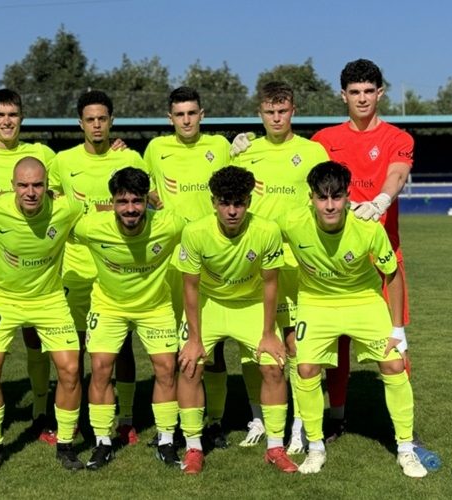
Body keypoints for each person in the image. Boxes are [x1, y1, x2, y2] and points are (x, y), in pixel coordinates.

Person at [278, 161, 427, 478]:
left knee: (394, 364)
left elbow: (392, 275)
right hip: (316, 303)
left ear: (348, 196)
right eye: (322, 197)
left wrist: (397, 329)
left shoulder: (368, 227)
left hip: (364, 301)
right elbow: (254, 232)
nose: (330, 205)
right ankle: (315, 447)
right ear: (311, 197)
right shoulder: (292, 223)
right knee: (306, 368)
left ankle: (405, 449)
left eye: (336, 197)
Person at [310, 59, 416, 441]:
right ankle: (336, 418)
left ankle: (405, 432)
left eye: (369, 91)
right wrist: (245, 150)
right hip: (337, 260)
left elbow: (397, 173)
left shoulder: (397, 138)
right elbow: (295, 173)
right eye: (354, 92)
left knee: (396, 343)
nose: (362, 98)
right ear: (343, 95)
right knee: (336, 346)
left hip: (384, 259)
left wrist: (382, 200)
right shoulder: (323, 140)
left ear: (380, 93)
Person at [175, 166, 294, 474]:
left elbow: (271, 284)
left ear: (249, 202)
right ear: (213, 202)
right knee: (190, 365)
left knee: (273, 365)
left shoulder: (267, 231)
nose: (231, 211)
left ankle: (275, 447)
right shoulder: (195, 232)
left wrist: (268, 333)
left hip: (250, 303)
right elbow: (190, 287)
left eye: (239, 203)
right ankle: (193, 448)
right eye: (225, 203)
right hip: (210, 303)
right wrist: (194, 339)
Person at [0, 157, 86, 472]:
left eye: (37, 185)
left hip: (49, 300)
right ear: (12, 186)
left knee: (71, 369)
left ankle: (65, 446)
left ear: (48, 186)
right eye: (23, 185)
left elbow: (105, 209)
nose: (30, 192)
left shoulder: (67, 209)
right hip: (2, 299)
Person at [230, 82, 329, 450]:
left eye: (282, 111)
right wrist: (231, 150)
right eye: (269, 112)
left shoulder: (313, 151)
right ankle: (258, 418)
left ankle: (301, 425)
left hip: (296, 262)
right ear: (260, 113)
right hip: (254, 262)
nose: (276, 118)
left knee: (298, 343)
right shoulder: (246, 152)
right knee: (253, 345)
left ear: (293, 111)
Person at [0, 88, 60, 444]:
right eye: (0, 115)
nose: (7, 121)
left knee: (36, 340)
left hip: (36, 269)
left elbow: (64, 191)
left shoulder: (43, 155)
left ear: (22, 118)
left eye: (13, 115)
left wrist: (116, 147)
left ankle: (41, 414)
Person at [48, 90, 148, 444]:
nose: (96, 125)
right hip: (75, 269)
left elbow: (146, 203)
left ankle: (126, 418)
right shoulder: (62, 161)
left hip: (118, 268)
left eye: (102, 119)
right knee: (73, 350)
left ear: (111, 121)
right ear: (80, 123)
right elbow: (52, 203)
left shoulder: (129, 158)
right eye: (90, 119)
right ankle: (73, 420)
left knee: (121, 348)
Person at [73, 167, 183, 470]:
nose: (130, 209)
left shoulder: (170, 225)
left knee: (166, 369)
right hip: (109, 306)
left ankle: (166, 440)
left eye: (137, 201)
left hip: (155, 307)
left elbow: (204, 234)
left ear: (147, 200)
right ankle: (103, 442)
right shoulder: (91, 227)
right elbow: (53, 231)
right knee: (100, 369)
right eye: (122, 201)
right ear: (112, 202)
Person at [143, 86, 233, 448]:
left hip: (212, 258)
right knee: (171, 348)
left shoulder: (220, 146)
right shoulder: (155, 149)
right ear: (170, 118)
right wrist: (160, 204)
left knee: (212, 347)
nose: (186, 120)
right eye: (179, 114)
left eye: (192, 113)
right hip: (171, 261)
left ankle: (215, 421)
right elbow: (146, 187)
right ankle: (172, 424)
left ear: (202, 115)